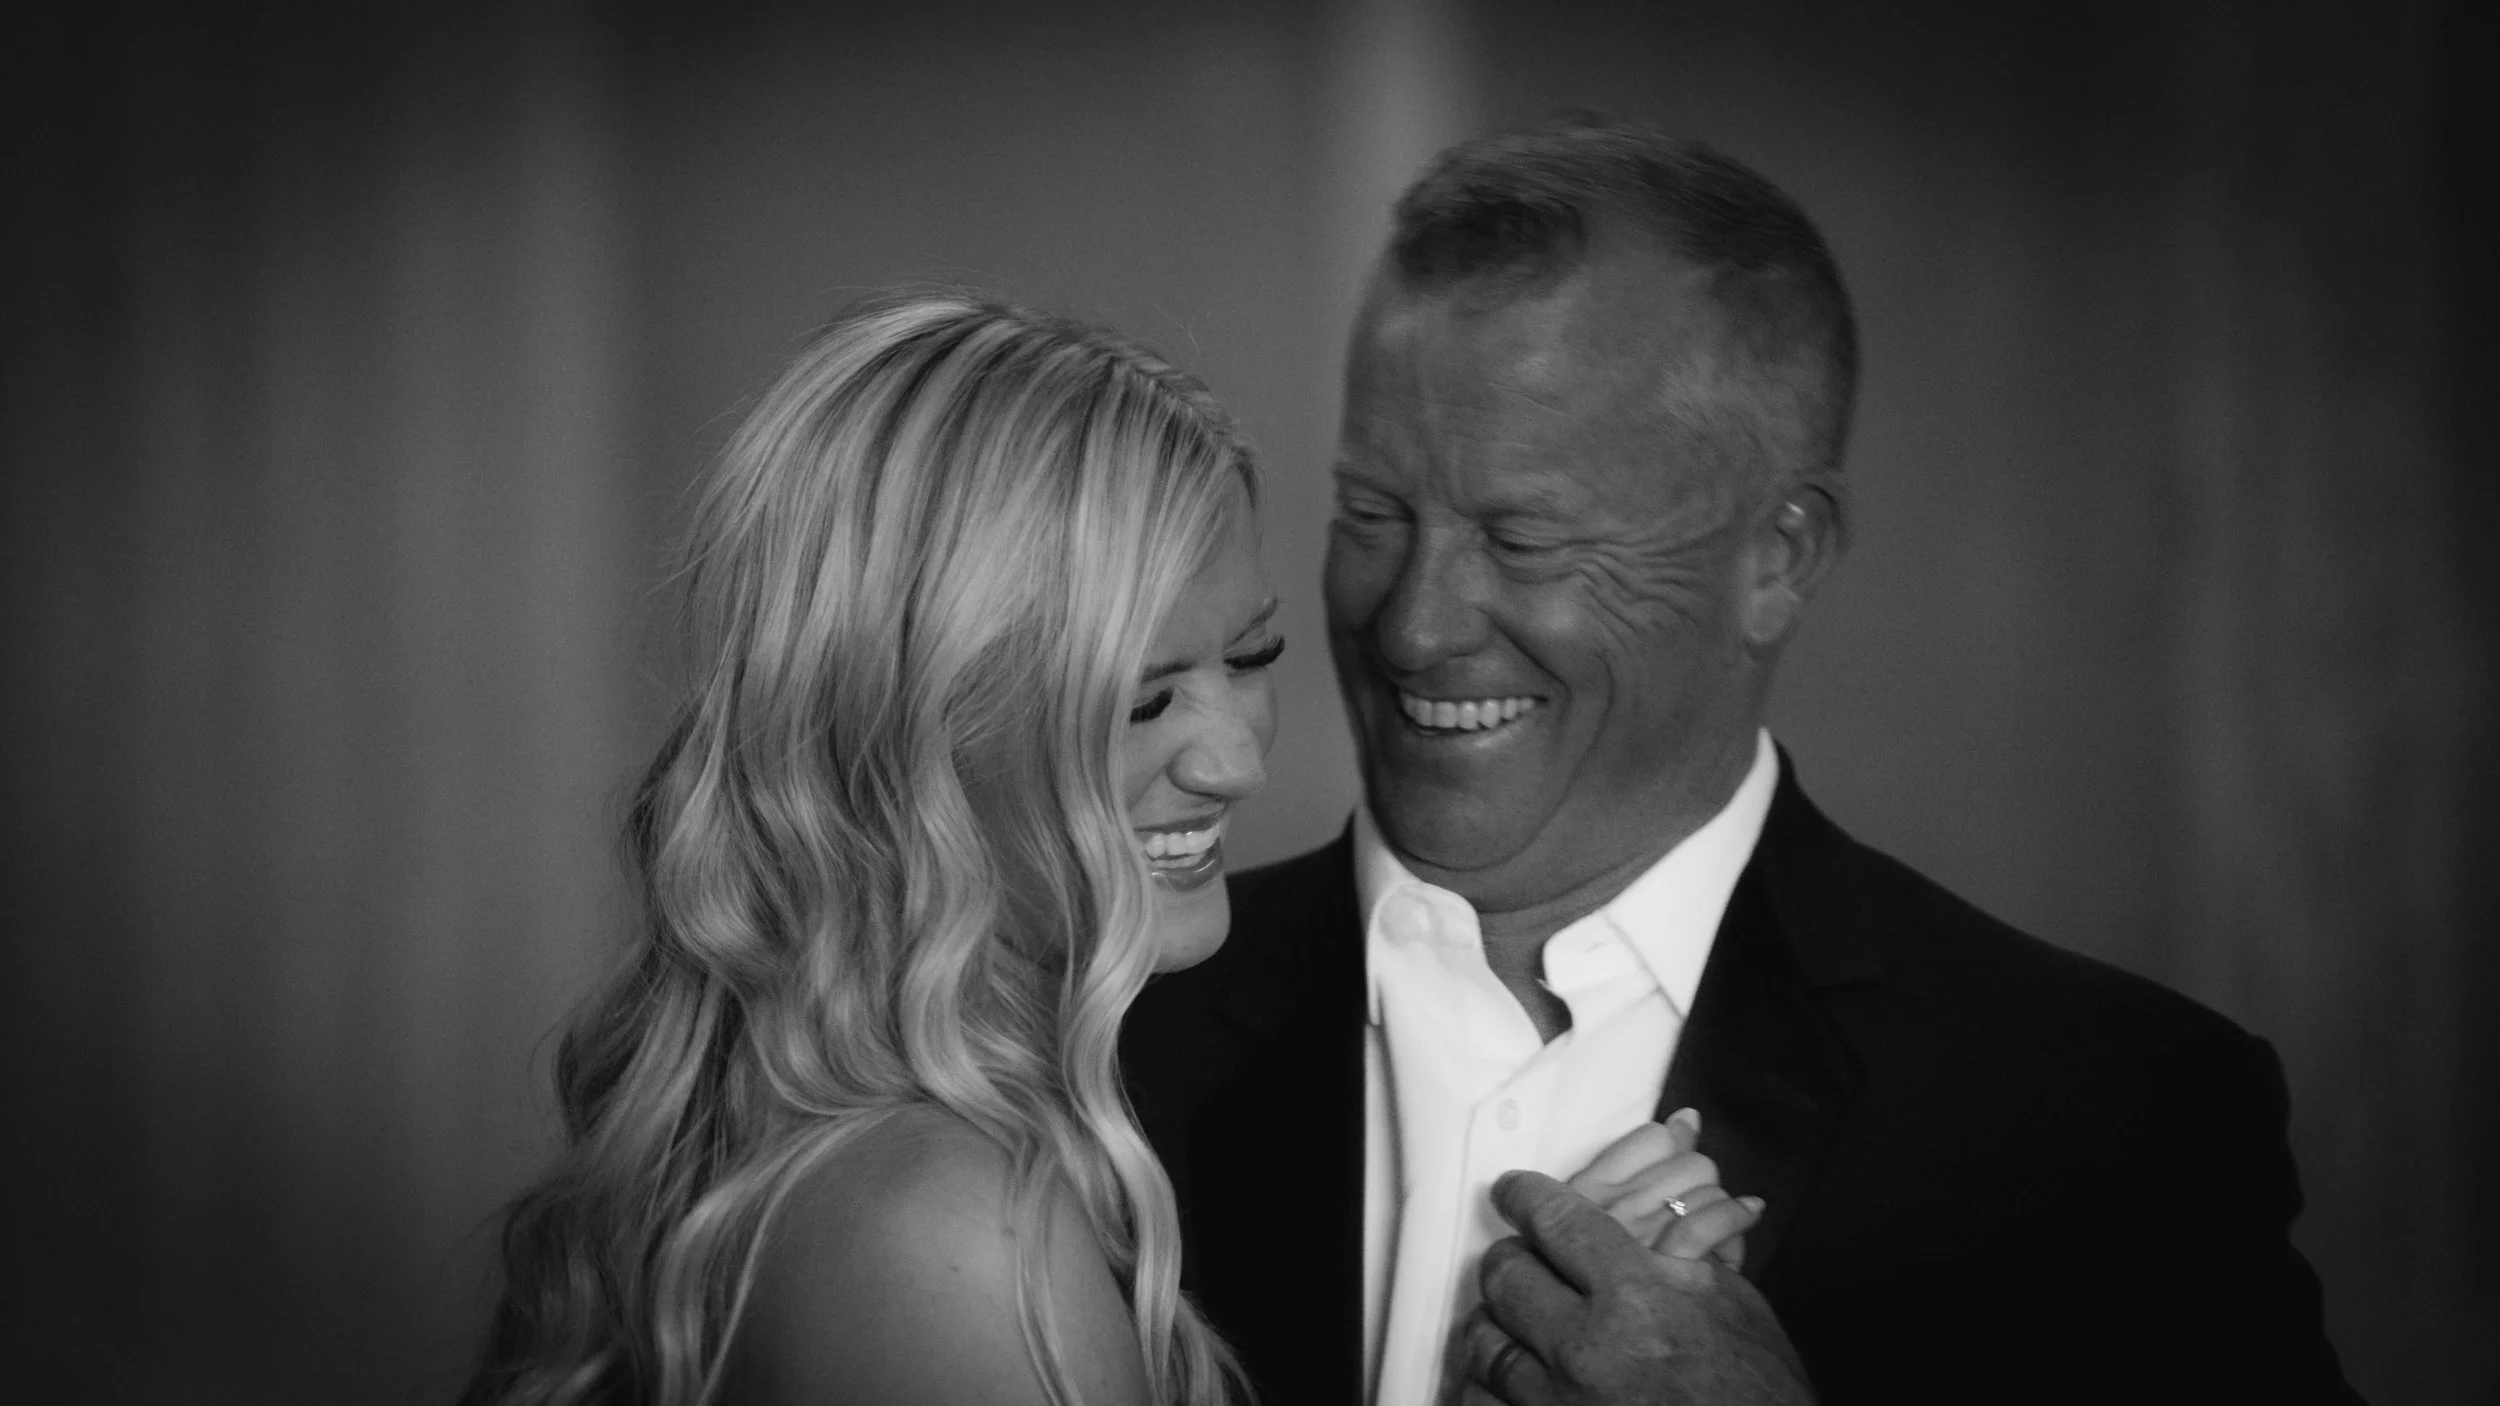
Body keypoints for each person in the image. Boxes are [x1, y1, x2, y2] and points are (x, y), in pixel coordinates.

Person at [1119, 116, 2360, 1405]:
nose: (1413, 624)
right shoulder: (1064, 1033)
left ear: (1780, 556)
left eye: (1526, 538)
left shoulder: (2115, 1119)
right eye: (1373, 514)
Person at [460, 290, 1751, 1406]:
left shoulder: (912, 1125)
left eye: (1252, 659)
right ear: (918, 730)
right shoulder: (950, 1228)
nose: (1235, 758)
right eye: (1141, 700)